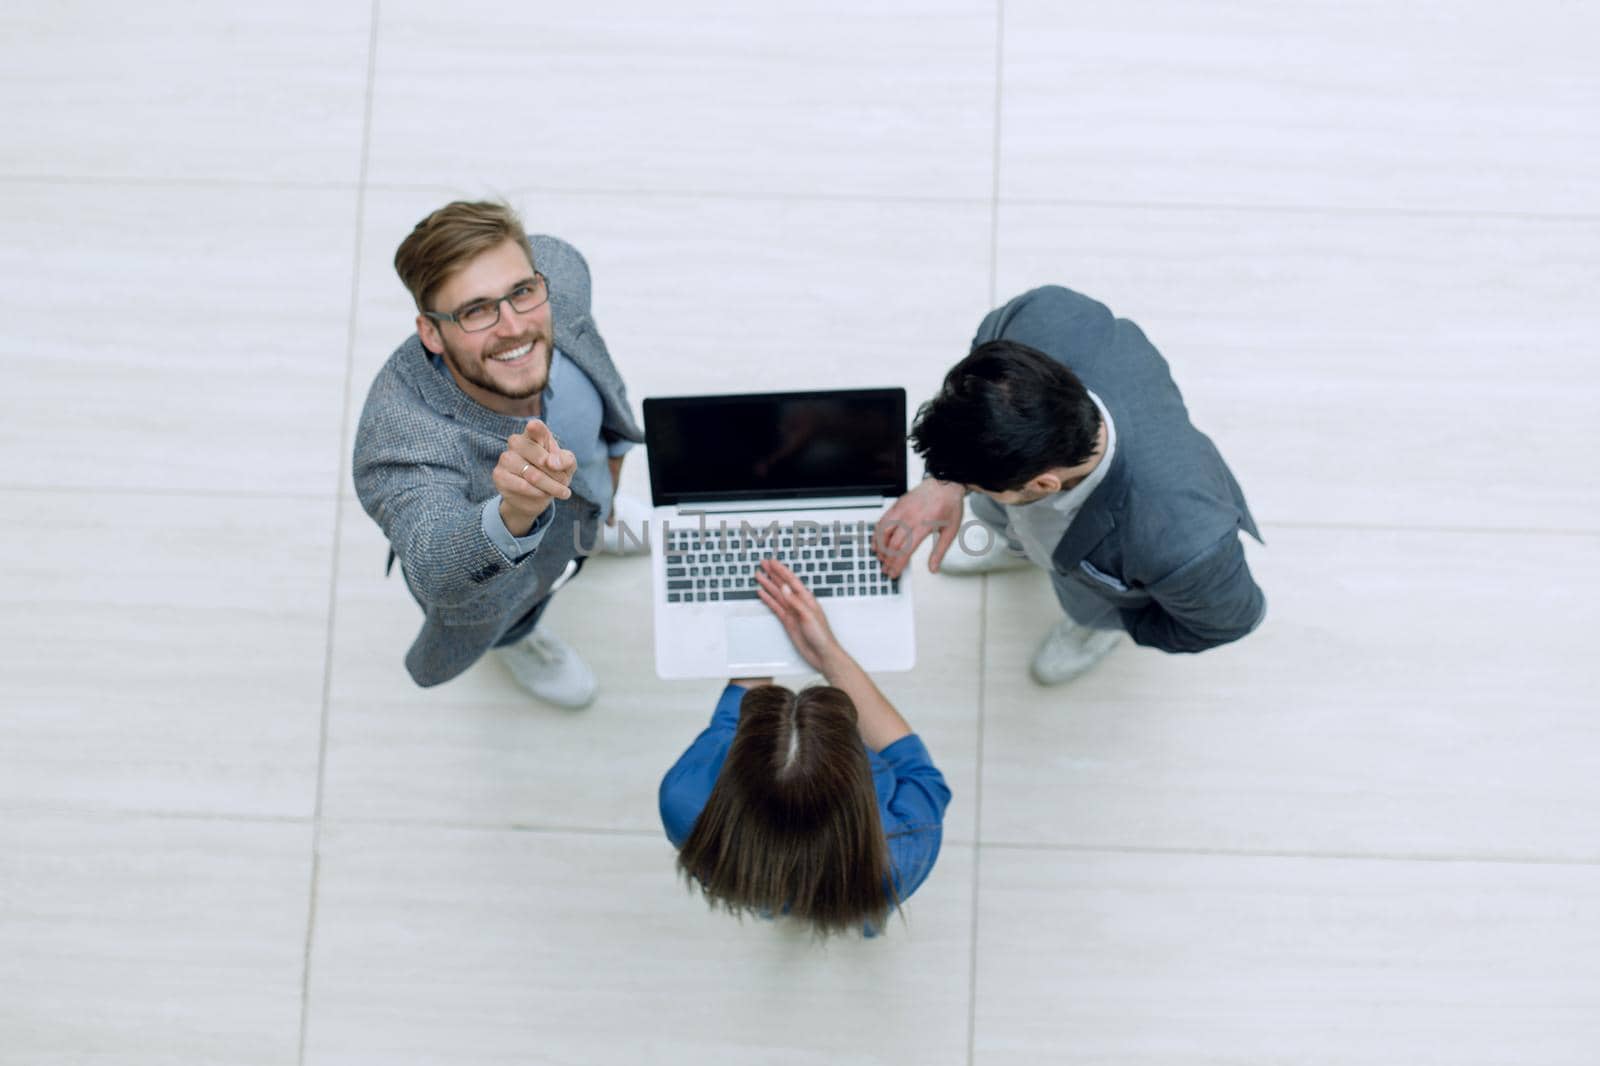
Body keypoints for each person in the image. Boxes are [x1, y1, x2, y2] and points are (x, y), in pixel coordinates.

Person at [876, 285, 1265, 684]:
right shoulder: (1042, 318)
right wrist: (946, 486)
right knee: (998, 516)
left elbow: (1227, 622)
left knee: (1086, 604)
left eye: (973, 483)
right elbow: (979, 363)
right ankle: (1019, 549)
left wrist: (1129, 620)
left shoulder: (1182, 545)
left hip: (1100, 571)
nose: (960, 486)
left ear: (1043, 484)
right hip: (1034, 498)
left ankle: (1093, 631)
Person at [352, 200, 648, 707]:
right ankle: (517, 638)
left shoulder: (561, 275)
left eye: (521, 293)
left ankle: (595, 524)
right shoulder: (399, 439)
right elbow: (435, 562)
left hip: (588, 492)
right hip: (508, 577)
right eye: (475, 310)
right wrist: (514, 513)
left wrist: (613, 464)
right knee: (515, 610)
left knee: (591, 504)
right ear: (431, 333)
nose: (514, 327)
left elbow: (600, 373)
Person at [659, 559, 951, 937]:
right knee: (865, 912)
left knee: (767, 899)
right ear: (855, 760)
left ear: (738, 757)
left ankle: (774, 908)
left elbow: (727, 722)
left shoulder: (682, 799)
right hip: (864, 890)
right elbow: (916, 769)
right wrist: (831, 655)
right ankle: (863, 924)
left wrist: (757, 626)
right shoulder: (903, 848)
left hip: (750, 879)